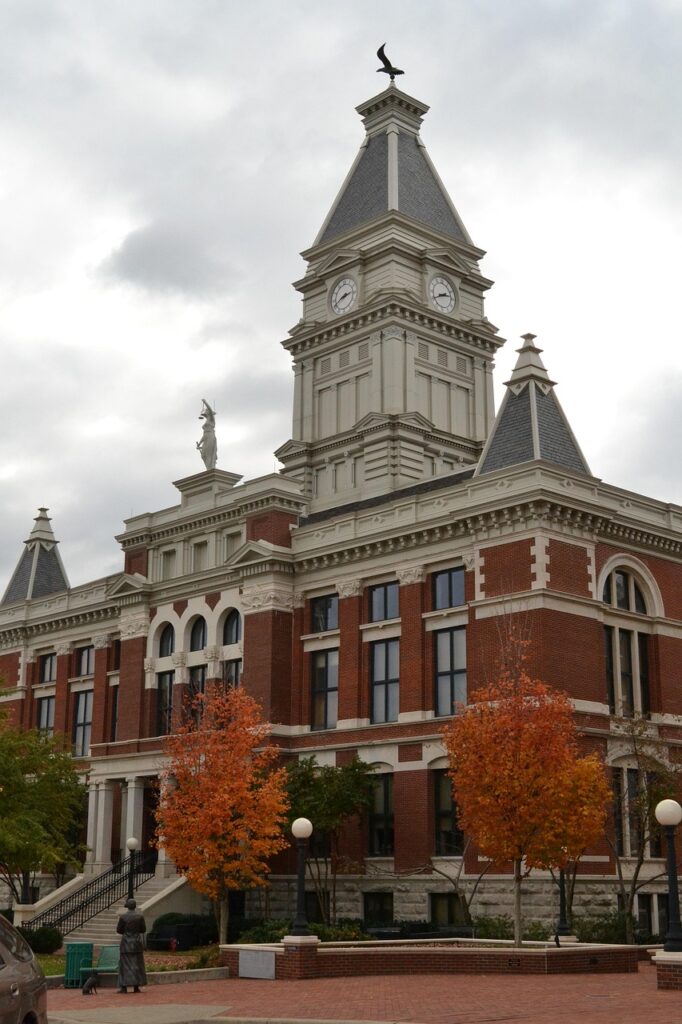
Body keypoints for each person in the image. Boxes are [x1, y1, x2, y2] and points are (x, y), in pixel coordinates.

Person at [116, 897, 147, 993]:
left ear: (127, 906)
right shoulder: (140, 917)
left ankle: (124, 987)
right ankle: (136, 986)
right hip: (136, 943)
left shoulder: (123, 917)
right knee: (137, 965)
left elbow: (119, 930)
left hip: (126, 943)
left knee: (124, 966)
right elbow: (143, 929)